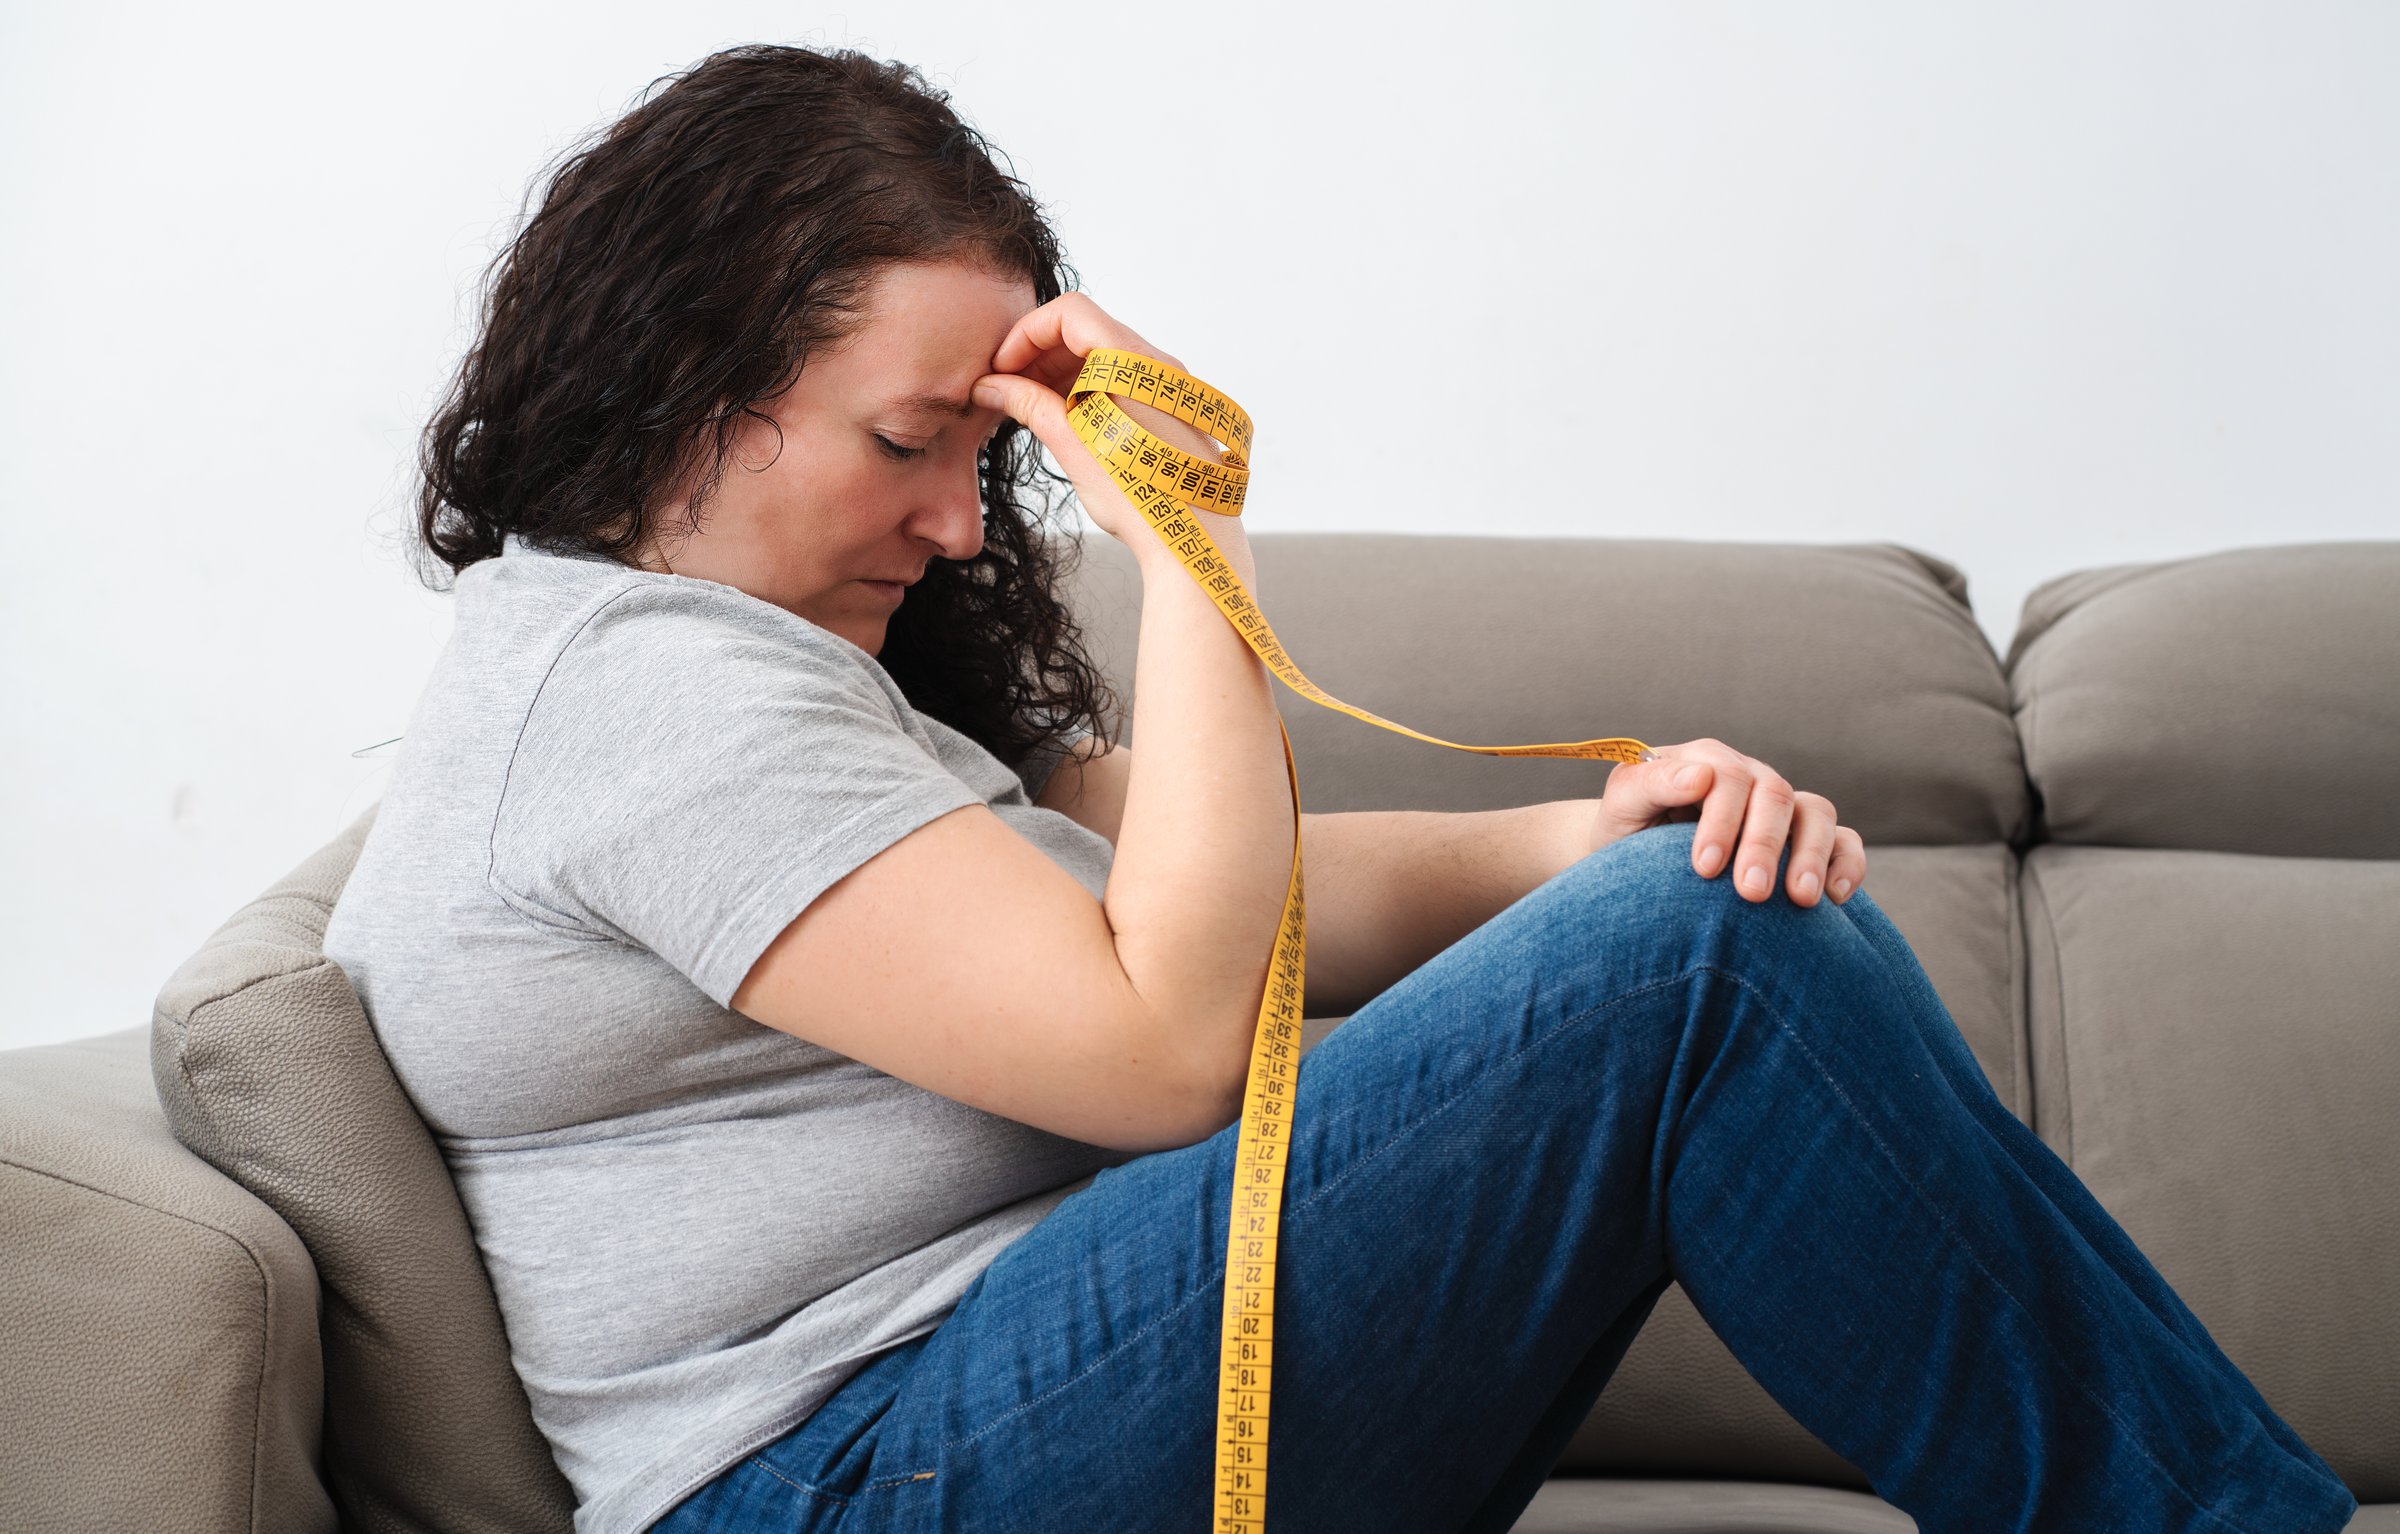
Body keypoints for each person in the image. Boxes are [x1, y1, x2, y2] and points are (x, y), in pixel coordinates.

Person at [320, 41, 2359, 1534]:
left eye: (992, 456)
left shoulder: (764, 675)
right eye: (911, 439)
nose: (962, 519)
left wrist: (1588, 837)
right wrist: (1197, 547)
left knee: (1686, 918)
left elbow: (1193, 878)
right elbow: (1160, 1044)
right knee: (1694, 964)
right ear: (693, 378)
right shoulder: (635, 693)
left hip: (974, 1414)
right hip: (859, 1473)